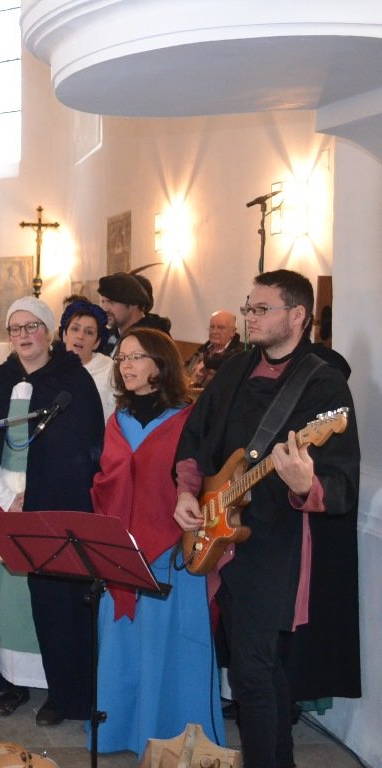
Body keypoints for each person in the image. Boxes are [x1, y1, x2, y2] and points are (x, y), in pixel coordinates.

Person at [173, 270, 360, 768]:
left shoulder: (323, 383)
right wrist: (187, 492)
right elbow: (196, 437)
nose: (249, 318)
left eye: (261, 309)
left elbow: (340, 478)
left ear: (297, 315)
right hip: (225, 532)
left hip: (279, 545)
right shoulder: (236, 369)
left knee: (251, 675)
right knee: (263, 666)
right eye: (248, 308)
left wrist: (305, 484)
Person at [0, 296, 104, 727]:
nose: (24, 335)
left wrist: (33, 496)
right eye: (16, 329)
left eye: (32, 327)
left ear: (48, 332)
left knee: (47, 601)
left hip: (47, 501)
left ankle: (56, 688)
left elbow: (83, 453)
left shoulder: (73, 382)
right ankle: (9, 678)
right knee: (0, 598)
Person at [90, 328, 222, 755]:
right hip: (123, 554)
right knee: (124, 647)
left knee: (172, 651)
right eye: (121, 358)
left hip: (173, 553)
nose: (126, 365)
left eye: (136, 357)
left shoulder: (189, 417)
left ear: (161, 364)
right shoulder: (118, 419)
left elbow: (204, 475)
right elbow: (107, 479)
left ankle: (174, 740)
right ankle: (121, 733)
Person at [59, 299, 116, 422]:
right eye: (75, 329)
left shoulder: (111, 371)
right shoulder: (51, 368)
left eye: (89, 332)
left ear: (97, 342)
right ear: (64, 335)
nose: (80, 336)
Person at [98, 271, 172, 353]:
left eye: (111, 302)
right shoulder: (107, 337)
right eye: (103, 301)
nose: (105, 308)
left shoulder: (155, 339)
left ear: (133, 303)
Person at [185, 309, 242, 388]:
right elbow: (187, 370)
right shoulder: (204, 348)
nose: (214, 332)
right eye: (212, 327)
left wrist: (206, 363)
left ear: (233, 332)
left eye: (221, 328)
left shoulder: (238, 353)